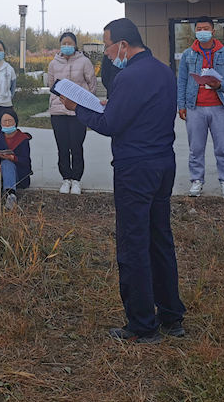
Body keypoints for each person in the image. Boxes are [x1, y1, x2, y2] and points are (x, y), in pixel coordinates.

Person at [60, 18, 185, 344]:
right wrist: (108, 104)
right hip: (163, 164)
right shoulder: (164, 71)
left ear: (124, 46)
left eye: (108, 46)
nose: (107, 53)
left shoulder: (129, 76)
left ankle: (142, 325)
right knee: (160, 239)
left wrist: (78, 109)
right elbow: (141, 112)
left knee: (133, 244)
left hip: (135, 169)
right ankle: (172, 317)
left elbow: (111, 124)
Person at [176, 17, 224, 199]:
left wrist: (220, 85)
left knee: (223, 148)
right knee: (196, 148)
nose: (202, 31)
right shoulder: (188, 54)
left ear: (213, 31)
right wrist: (181, 105)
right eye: (199, 28)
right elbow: (181, 81)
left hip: (220, 107)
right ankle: (197, 180)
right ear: (195, 31)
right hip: (195, 108)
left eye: (205, 28)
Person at [47, 32, 96, 195]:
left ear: (75, 45)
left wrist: (83, 101)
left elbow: (92, 85)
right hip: (58, 111)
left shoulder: (85, 62)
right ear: (60, 45)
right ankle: (65, 178)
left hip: (78, 112)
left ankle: (76, 180)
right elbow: (51, 85)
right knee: (62, 147)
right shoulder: (53, 63)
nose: (67, 46)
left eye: (70, 43)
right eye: (64, 43)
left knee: (76, 146)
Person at [0, 110, 32, 212]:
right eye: (4, 121)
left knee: (7, 162)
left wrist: (13, 158)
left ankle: (11, 195)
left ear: (15, 122)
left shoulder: (23, 139)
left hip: (18, 174)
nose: (7, 123)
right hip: (1, 172)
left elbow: (26, 160)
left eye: (10, 121)